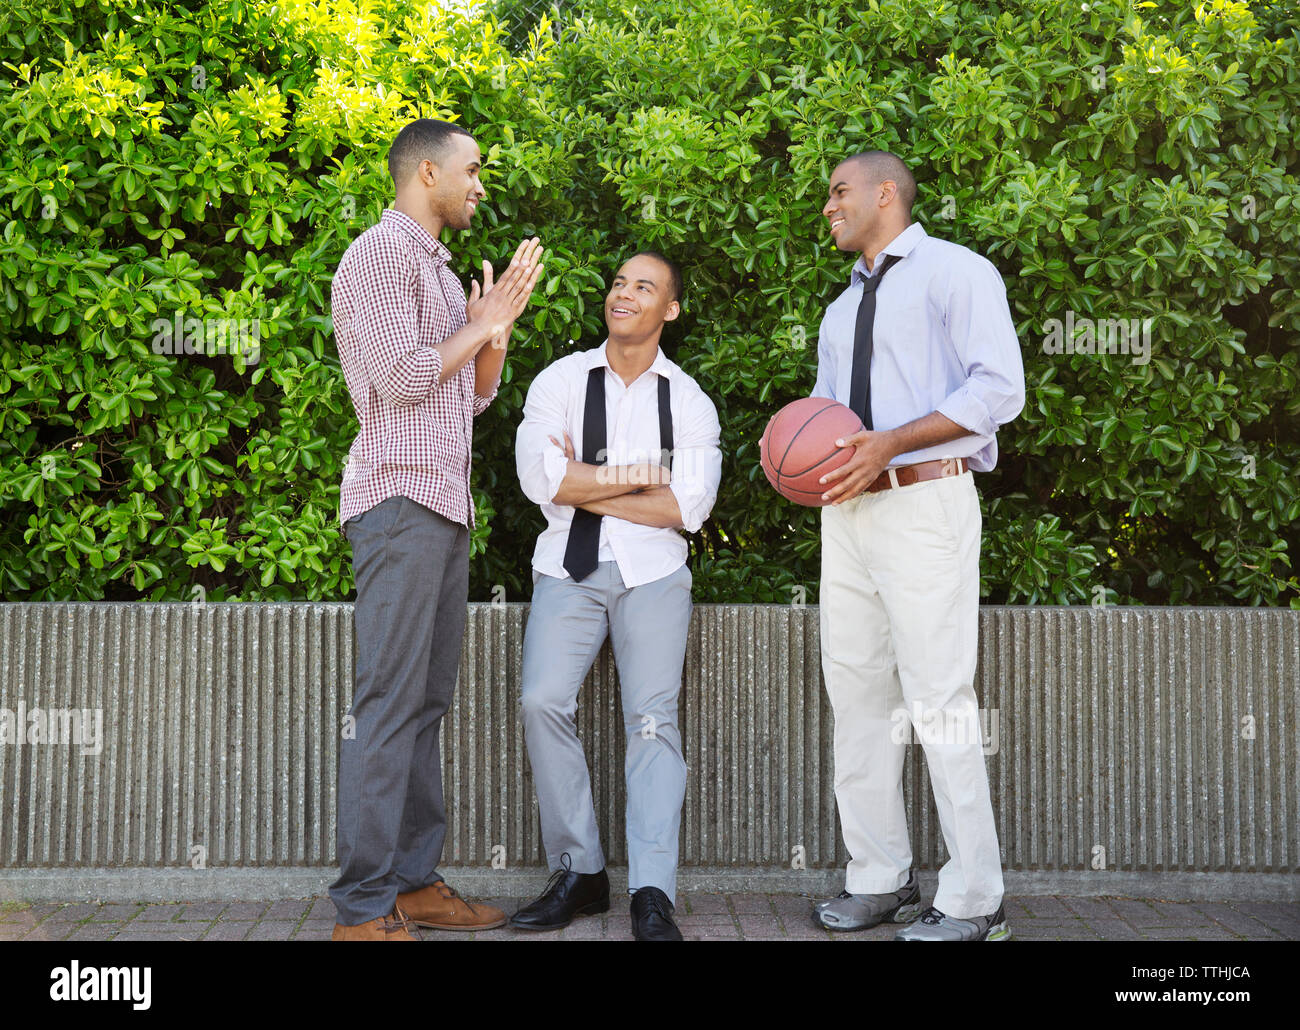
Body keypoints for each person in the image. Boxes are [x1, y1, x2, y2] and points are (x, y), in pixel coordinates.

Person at [329, 118, 544, 941]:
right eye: (473, 170)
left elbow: (474, 396)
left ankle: (414, 885)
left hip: (442, 506)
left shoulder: (443, 277)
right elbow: (406, 377)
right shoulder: (380, 257)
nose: (480, 185)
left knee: (424, 703)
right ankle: (361, 910)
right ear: (426, 174)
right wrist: (476, 322)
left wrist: (496, 327)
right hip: (397, 503)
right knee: (387, 705)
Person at [809, 150, 1024, 940]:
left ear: (885, 193)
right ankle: (879, 878)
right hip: (850, 515)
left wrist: (890, 442)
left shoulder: (955, 272)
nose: (828, 206)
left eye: (839, 192)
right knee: (857, 697)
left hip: (927, 500)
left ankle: (975, 897)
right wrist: (804, 466)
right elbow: (829, 427)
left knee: (939, 697)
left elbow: (998, 390)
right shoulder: (839, 311)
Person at [510, 252, 722, 941]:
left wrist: (588, 478)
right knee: (542, 700)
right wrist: (642, 474)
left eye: (645, 287)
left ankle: (652, 890)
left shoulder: (687, 400)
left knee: (653, 722)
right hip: (568, 569)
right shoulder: (561, 380)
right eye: (619, 283)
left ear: (670, 310)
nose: (623, 294)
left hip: (654, 577)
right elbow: (541, 481)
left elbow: (688, 506)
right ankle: (582, 872)